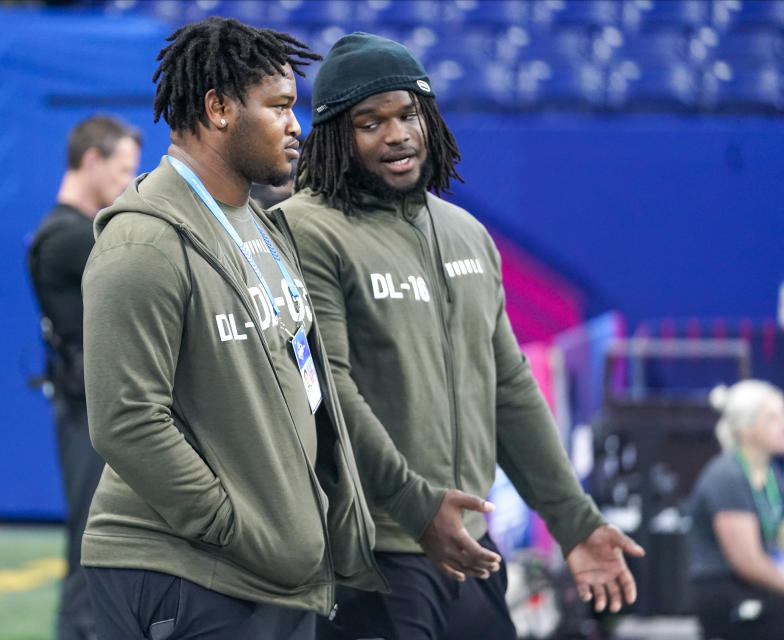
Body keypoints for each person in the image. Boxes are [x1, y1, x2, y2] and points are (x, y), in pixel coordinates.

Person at [79, 18, 483, 639]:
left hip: (275, 581)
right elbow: (127, 419)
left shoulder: (262, 228)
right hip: (190, 574)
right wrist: (241, 528)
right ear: (218, 108)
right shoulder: (142, 241)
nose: (297, 126)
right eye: (280, 108)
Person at [277, 32, 646, 640]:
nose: (397, 134)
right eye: (370, 122)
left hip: (470, 545)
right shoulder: (303, 230)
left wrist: (575, 522)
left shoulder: (465, 232)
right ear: (338, 136)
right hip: (370, 555)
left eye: (408, 113)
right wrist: (418, 506)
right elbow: (325, 389)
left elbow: (509, 386)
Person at [27, 114, 140, 640]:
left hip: (94, 407)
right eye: (122, 170)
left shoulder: (75, 232)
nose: (126, 183)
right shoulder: (68, 237)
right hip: (87, 411)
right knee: (92, 543)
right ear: (91, 160)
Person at [687, 380, 784, 640]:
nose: (783, 425)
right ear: (746, 428)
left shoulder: (772, 475)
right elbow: (747, 562)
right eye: (773, 418)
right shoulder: (727, 476)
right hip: (727, 592)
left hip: (763, 586)